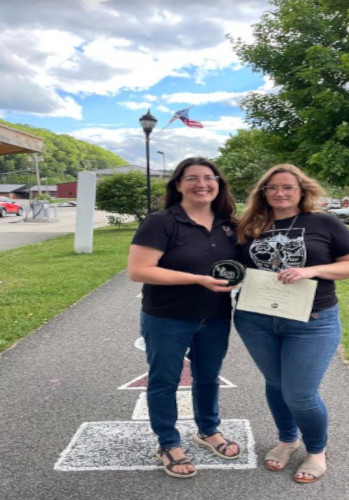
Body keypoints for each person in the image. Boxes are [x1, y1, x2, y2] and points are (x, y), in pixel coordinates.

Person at [234, 164, 349, 483]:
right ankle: (287, 439)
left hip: (312, 321)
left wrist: (311, 270)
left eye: (287, 187)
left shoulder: (324, 222)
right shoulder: (250, 225)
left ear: (301, 191)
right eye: (272, 188)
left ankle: (316, 450)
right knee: (276, 383)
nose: (279, 193)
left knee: (300, 393)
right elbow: (238, 265)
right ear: (263, 193)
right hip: (256, 319)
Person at [128, 157, 241, 479]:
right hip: (168, 316)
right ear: (178, 185)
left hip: (216, 315)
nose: (201, 184)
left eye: (209, 178)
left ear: (219, 184)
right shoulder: (161, 222)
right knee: (164, 380)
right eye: (192, 178)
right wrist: (198, 279)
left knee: (208, 377)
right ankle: (167, 442)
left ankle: (208, 430)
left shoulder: (228, 223)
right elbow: (139, 271)